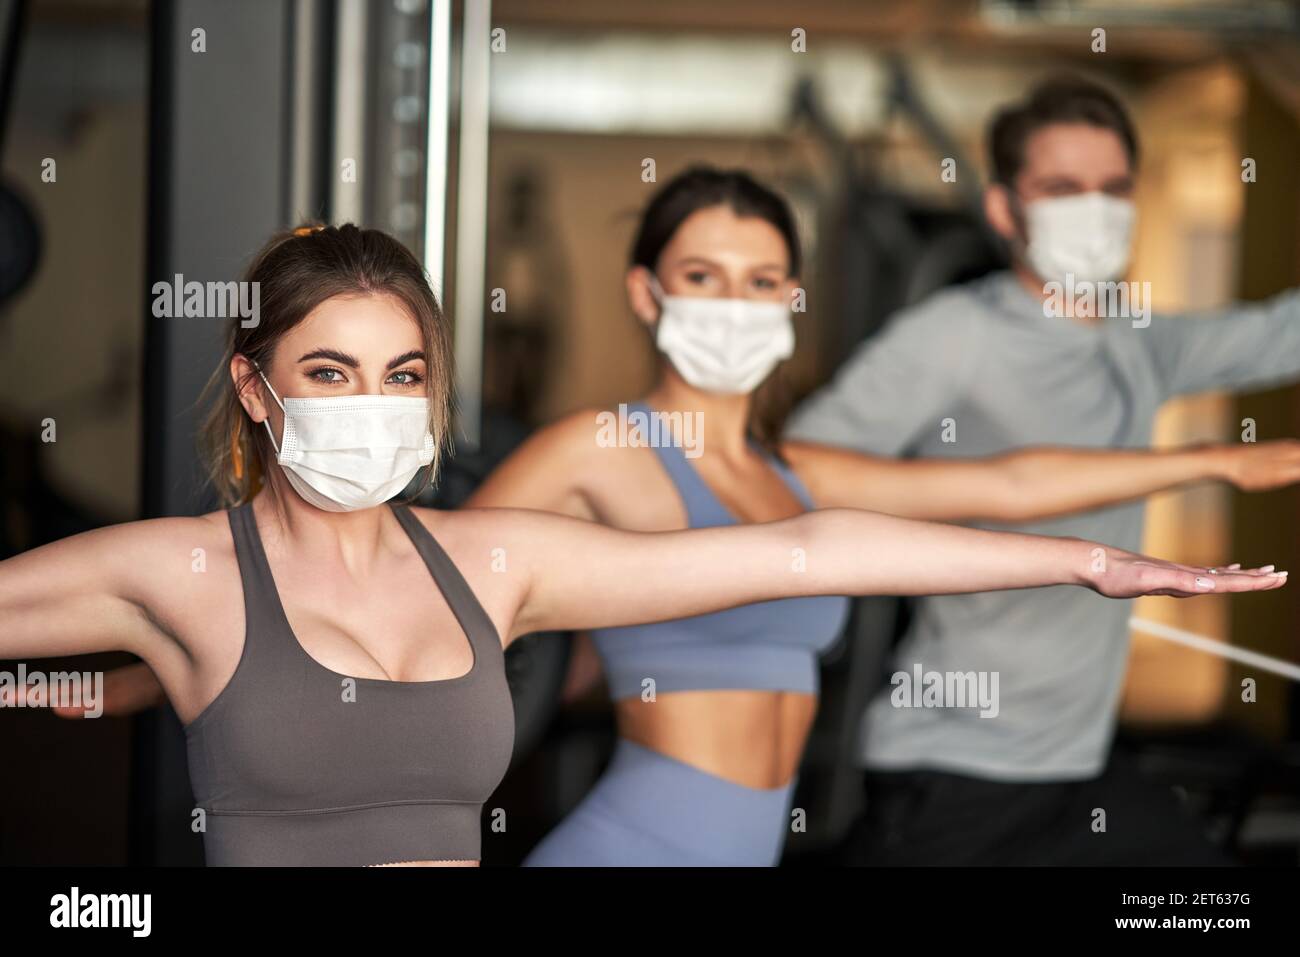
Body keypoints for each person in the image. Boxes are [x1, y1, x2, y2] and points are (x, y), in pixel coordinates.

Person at [12, 185, 1295, 867]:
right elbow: (221, 645)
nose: (372, 407)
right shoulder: (176, 570)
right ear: (257, 385)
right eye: (329, 372)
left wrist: (1091, 560)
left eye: (402, 376)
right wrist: (119, 687)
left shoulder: (493, 564)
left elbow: (813, 549)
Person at [783, 75, 1300, 865]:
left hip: (1076, 766)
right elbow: (797, 470)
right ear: (1003, 210)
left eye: (1113, 188)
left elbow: (1278, 334)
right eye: (1063, 188)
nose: (1094, 210)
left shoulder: (1138, 341)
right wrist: (990, 489)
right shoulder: (956, 335)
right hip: (955, 766)